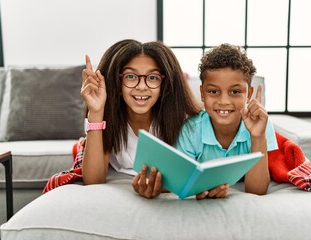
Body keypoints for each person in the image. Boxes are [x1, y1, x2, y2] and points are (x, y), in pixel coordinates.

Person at [81, 39, 201, 199]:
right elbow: (93, 181)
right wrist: (95, 112)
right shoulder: (106, 116)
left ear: (163, 85)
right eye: (131, 76)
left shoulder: (184, 121)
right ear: (117, 82)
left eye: (152, 78)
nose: (142, 86)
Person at [175, 43, 278, 199]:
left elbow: (257, 192)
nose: (224, 101)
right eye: (213, 91)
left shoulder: (261, 125)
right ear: (202, 93)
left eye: (235, 91)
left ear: (248, 93)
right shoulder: (191, 130)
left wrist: (257, 136)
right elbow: (181, 182)